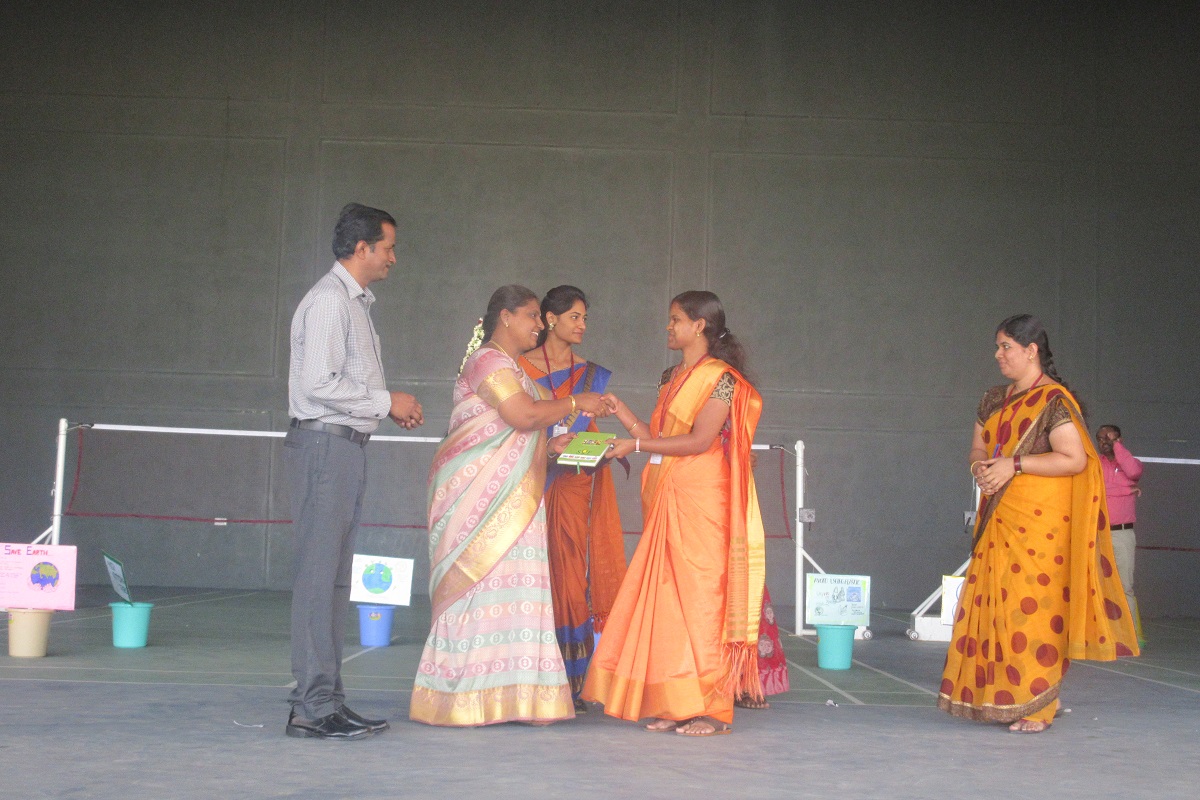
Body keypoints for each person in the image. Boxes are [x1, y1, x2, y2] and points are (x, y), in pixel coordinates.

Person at [410, 285, 609, 727]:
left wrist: (553, 445)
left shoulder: (514, 369)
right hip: (476, 499)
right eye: (532, 316)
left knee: (519, 597)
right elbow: (523, 416)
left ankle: (522, 699)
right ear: (505, 316)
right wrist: (576, 402)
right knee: (476, 593)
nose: (539, 324)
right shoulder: (488, 361)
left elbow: (523, 430)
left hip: (516, 497)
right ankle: (460, 699)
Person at [942, 314, 1139, 734]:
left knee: (1031, 611)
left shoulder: (1054, 401)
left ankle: (1039, 706)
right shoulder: (993, 399)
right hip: (999, 517)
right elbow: (977, 447)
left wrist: (1013, 464)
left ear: (1031, 351)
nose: (998, 355)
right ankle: (1007, 696)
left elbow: (1074, 459)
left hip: (1039, 527)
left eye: (1006, 347)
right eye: (998, 347)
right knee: (995, 610)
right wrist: (981, 467)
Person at [582, 290, 766, 737]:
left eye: (675, 319)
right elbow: (660, 438)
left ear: (699, 325)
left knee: (701, 602)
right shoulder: (671, 377)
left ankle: (710, 709)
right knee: (667, 603)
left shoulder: (723, 379)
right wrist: (623, 415)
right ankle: (675, 702)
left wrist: (635, 445)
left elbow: (700, 441)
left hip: (703, 497)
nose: (668, 327)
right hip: (668, 492)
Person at [283, 203, 424, 740]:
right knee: (319, 578)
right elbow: (319, 383)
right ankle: (312, 707)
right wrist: (387, 401)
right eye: (388, 247)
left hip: (343, 447)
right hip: (325, 446)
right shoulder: (329, 301)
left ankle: (326, 700)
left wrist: (382, 408)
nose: (393, 258)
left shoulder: (353, 303)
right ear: (361, 248)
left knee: (335, 580)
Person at [517, 285, 628, 713]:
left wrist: (596, 445)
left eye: (585, 318)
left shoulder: (590, 375)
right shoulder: (519, 367)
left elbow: (588, 431)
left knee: (569, 572)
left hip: (574, 481)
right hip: (530, 479)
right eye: (574, 317)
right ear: (550, 319)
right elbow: (514, 423)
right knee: (531, 570)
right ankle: (527, 672)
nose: (582, 325)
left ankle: (570, 677)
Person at [1097, 424, 1145, 643]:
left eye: (1109, 437)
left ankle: (1130, 638)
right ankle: (1103, 637)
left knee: (1124, 586)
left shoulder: (1130, 463)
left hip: (1122, 534)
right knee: (1098, 586)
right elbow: (1096, 491)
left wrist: (1117, 447)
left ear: (1119, 440)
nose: (1104, 442)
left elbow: (1134, 472)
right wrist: (1126, 490)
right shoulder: (1094, 464)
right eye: (1100, 438)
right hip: (1097, 534)